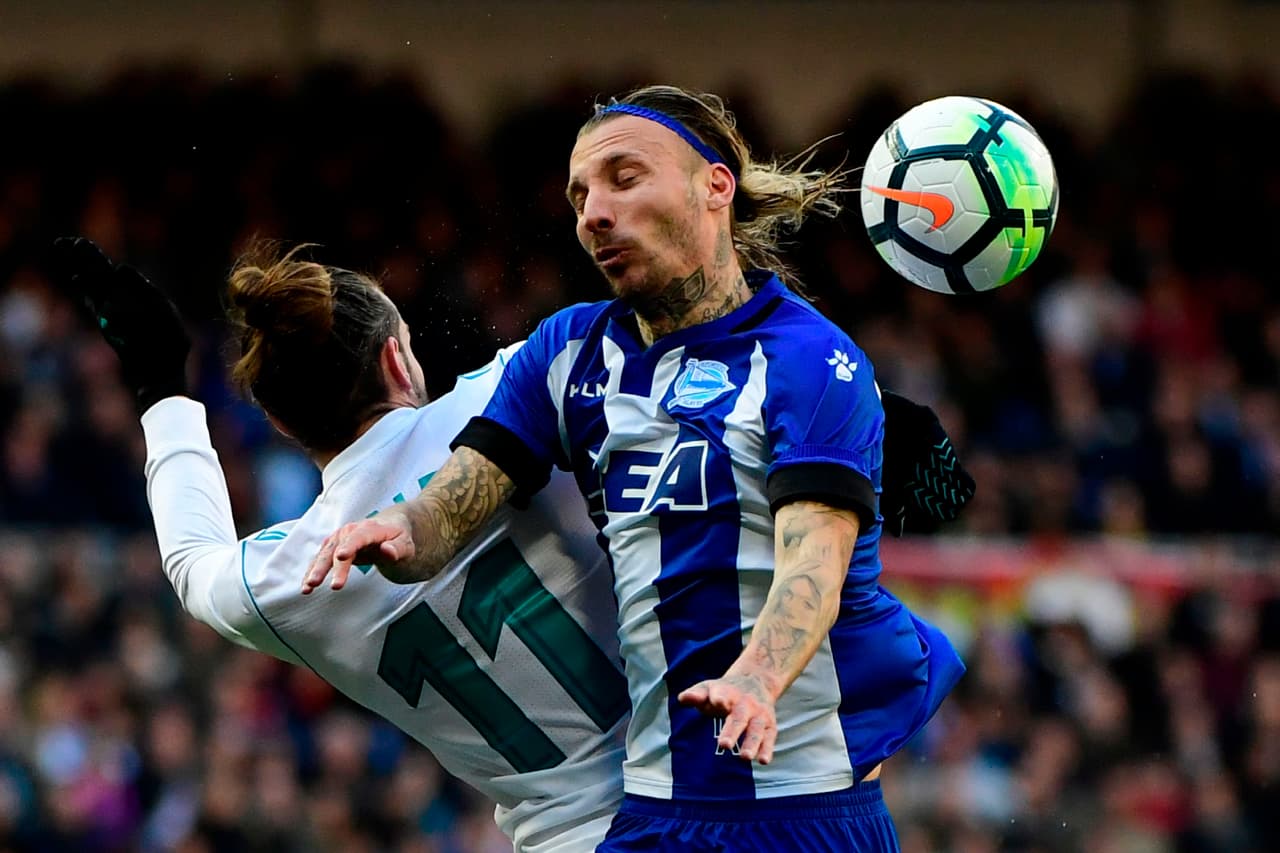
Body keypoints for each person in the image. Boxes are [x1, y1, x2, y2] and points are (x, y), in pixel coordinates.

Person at [306, 85, 969, 851]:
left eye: (624, 178)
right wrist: (401, 526)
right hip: (654, 808)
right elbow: (452, 502)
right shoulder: (569, 353)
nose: (593, 212)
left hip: (801, 806)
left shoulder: (809, 358)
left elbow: (814, 562)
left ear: (714, 186)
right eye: (579, 195)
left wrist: (757, 676)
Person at [47, 238, 631, 853]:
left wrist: (162, 387)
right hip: (689, 769)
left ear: (280, 422)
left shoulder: (290, 578)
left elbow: (192, 563)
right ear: (396, 361)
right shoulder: (519, 386)